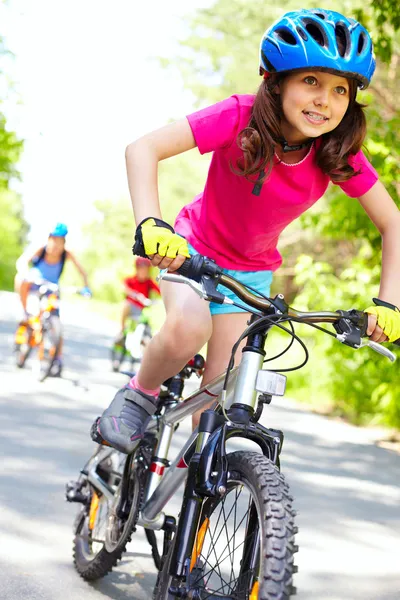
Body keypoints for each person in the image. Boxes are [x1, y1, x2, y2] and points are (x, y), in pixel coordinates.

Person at [92, 9, 400, 454]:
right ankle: (139, 392)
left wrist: (389, 303)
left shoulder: (339, 153)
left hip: (249, 275)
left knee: (215, 407)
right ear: (276, 81)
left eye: (340, 90)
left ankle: (197, 504)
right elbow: (143, 149)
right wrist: (151, 224)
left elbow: (392, 222)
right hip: (193, 250)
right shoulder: (240, 116)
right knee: (187, 327)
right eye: (311, 81)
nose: (325, 100)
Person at [15, 222, 91, 374]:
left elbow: (82, 272)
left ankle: (57, 357)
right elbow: (22, 261)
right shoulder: (41, 249)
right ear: (49, 238)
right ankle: (25, 311)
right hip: (34, 283)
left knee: (56, 323)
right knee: (20, 280)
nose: (56, 245)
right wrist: (24, 272)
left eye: (60, 241)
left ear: (64, 242)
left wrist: (86, 286)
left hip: (52, 288)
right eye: (54, 240)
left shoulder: (66, 254)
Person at [115, 257, 160, 344]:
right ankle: (122, 329)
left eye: (146, 269)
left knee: (148, 326)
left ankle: (145, 341)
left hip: (141, 310)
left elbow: (159, 291)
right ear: (137, 269)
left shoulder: (149, 282)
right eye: (141, 269)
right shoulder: (131, 280)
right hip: (131, 308)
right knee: (126, 305)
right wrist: (135, 295)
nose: (144, 271)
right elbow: (124, 288)